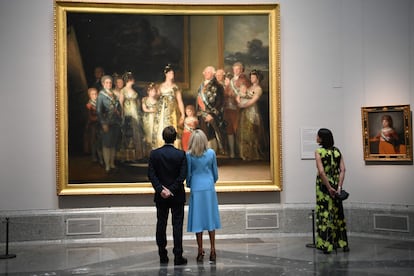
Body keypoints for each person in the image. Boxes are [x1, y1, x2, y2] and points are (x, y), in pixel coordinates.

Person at [147, 126, 188, 266]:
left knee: (161, 223)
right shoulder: (181, 154)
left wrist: (161, 190)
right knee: (177, 225)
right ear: (175, 138)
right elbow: (183, 175)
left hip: (161, 196)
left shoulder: (154, 154)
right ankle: (178, 256)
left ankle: (162, 255)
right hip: (176, 195)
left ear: (163, 138)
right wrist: (171, 189)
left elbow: (151, 175)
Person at [186, 129, 221, 263]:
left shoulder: (189, 155)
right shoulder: (211, 153)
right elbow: (215, 174)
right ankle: (213, 249)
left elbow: (188, 175)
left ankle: (200, 250)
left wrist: (190, 184)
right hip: (209, 187)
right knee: (210, 218)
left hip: (196, 186)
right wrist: (211, 182)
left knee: (198, 220)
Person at [315, 128, 349, 254]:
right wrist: (339, 187)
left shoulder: (319, 152)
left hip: (324, 186)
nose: (316, 138)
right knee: (338, 213)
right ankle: (343, 243)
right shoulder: (337, 151)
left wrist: (329, 188)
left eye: (318, 136)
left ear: (322, 138)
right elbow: (343, 170)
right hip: (336, 184)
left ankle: (327, 245)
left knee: (325, 213)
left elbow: (322, 172)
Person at [236, 69, 267, 161]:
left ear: (258, 78)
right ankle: (245, 154)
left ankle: (253, 154)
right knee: (244, 133)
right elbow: (240, 95)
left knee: (252, 133)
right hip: (244, 112)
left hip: (252, 112)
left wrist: (243, 105)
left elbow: (253, 101)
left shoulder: (259, 89)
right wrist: (239, 101)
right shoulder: (249, 87)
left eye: (253, 77)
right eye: (251, 77)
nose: (251, 78)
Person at [153, 64, 185, 149]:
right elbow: (155, 98)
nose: (172, 75)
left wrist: (183, 114)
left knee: (173, 129)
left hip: (173, 113)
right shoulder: (160, 86)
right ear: (166, 74)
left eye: (173, 73)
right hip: (162, 113)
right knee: (161, 129)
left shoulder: (175, 87)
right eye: (170, 73)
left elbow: (180, 101)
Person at [195, 66, 226, 154]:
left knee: (211, 136)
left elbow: (220, 102)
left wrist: (211, 114)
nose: (205, 74)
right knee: (203, 135)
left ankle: (211, 157)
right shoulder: (201, 85)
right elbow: (198, 100)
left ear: (213, 74)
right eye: (205, 72)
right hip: (201, 115)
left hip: (212, 116)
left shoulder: (218, 86)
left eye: (208, 72)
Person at [96, 75, 122, 172]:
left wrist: (119, 112)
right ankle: (107, 165)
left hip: (115, 122)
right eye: (106, 83)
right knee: (106, 144)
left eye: (110, 83)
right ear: (103, 84)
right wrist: (103, 123)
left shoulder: (114, 95)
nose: (109, 84)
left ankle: (112, 163)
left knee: (113, 143)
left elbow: (118, 107)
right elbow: (98, 111)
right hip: (106, 123)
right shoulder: (101, 96)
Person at [119, 72, 144, 161]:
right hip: (128, 113)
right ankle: (127, 155)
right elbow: (121, 103)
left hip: (135, 113)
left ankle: (137, 155)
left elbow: (138, 103)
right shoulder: (123, 90)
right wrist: (122, 113)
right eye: (132, 79)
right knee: (128, 132)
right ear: (129, 80)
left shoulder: (134, 91)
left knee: (136, 131)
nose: (133, 80)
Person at [83, 87, 103, 165]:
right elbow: (90, 117)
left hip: (100, 124)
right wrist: (98, 118)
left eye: (95, 94)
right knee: (94, 141)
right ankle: (94, 156)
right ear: (89, 95)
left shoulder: (99, 103)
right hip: (93, 125)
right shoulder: (89, 105)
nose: (94, 95)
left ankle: (101, 157)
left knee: (100, 141)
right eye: (92, 94)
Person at [142, 82, 158, 156]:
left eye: (154, 91)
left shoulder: (157, 100)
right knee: (148, 134)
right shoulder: (145, 99)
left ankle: (155, 151)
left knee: (155, 133)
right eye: (151, 91)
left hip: (155, 119)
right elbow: (144, 109)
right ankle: (147, 153)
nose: (153, 93)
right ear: (148, 91)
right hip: (147, 119)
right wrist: (152, 111)